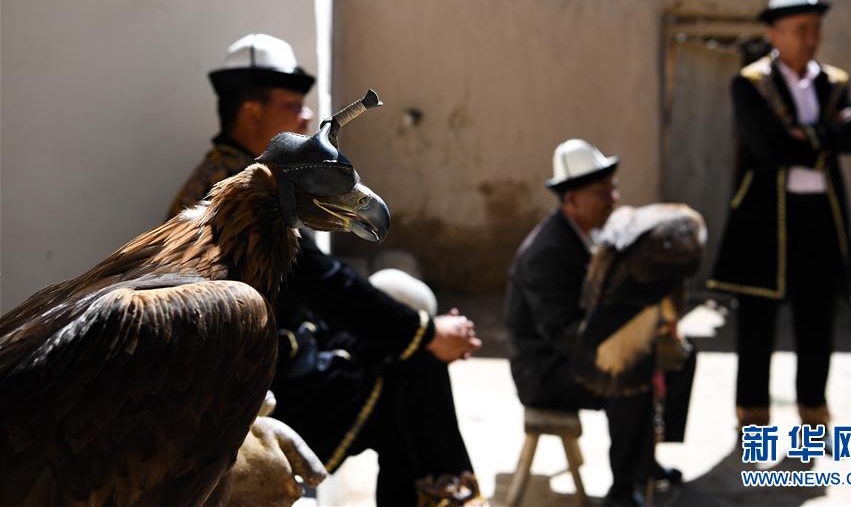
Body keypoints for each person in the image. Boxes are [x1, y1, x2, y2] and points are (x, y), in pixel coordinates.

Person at [169, 33, 486, 507]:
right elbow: (325, 284)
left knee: (408, 363)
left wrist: (417, 333)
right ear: (251, 113)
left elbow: (317, 281)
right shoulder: (241, 191)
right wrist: (425, 332)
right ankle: (446, 492)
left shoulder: (231, 173)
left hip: (293, 359)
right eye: (292, 106)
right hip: (258, 394)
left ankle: (441, 490)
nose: (305, 117)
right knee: (413, 369)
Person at [707, 0, 851, 432]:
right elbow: (770, 146)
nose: (811, 39)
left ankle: (813, 417)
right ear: (775, 33)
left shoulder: (833, 82)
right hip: (765, 217)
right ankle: (753, 419)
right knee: (757, 321)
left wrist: (806, 136)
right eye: (801, 29)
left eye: (815, 28)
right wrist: (826, 138)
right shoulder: (751, 84)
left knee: (817, 319)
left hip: (819, 216)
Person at [505, 139, 684, 507]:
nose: (613, 199)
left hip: (576, 351)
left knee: (679, 355)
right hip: (545, 370)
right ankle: (622, 493)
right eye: (603, 192)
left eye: (613, 188)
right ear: (572, 200)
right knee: (628, 377)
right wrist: (623, 343)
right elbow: (561, 333)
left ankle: (645, 461)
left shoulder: (592, 234)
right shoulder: (547, 253)